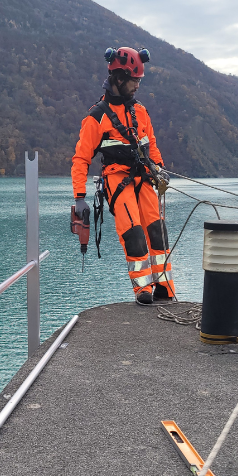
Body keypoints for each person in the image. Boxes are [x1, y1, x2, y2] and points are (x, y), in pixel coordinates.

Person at [71, 46, 175, 305]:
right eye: (134, 80)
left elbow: (151, 144)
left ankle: (165, 287)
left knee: (157, 231)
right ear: (119, 78)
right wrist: (80, 196)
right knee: (134, 233)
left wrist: (160, 169)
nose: (138, 85)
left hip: (144, 178)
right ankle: (143, 289)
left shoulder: (140, 111)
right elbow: (81, 159)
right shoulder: (96, 117)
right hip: (117, 180)